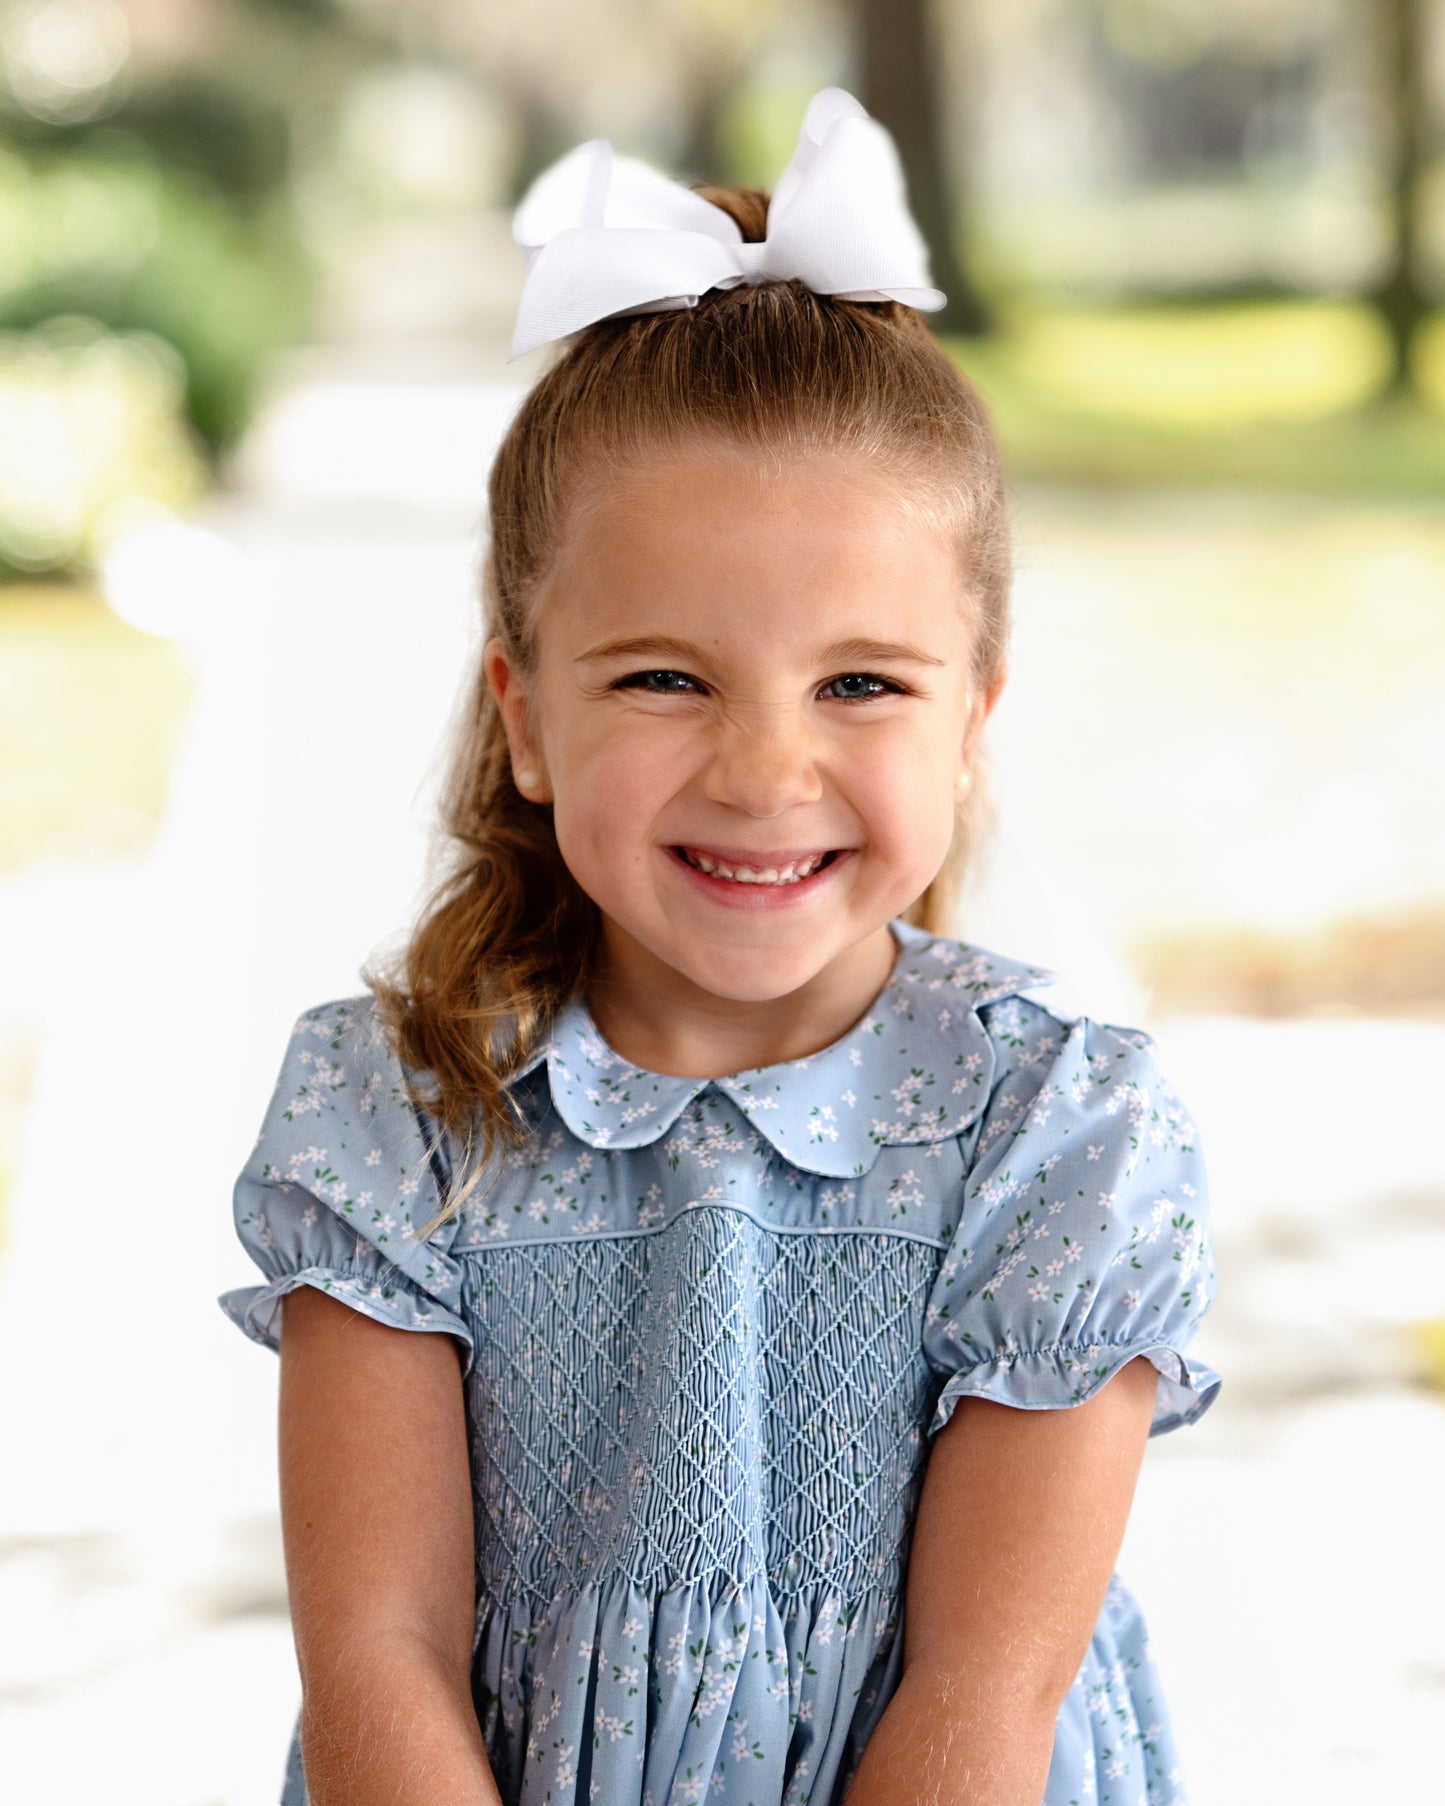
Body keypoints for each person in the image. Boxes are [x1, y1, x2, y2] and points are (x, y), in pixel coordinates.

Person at [219, 87, 1221, 1806]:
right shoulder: (397, 1115)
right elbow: (377, 1651)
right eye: (665, 677)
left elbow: (980, 1705)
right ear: (525, 722)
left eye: (859, 683)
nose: (765, 770)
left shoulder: (1060, 1134)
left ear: (968, 720)